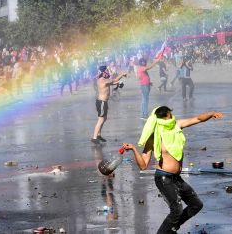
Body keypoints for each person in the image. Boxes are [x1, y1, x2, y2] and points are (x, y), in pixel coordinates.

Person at [123, 106, 224, 234]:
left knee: (196, 205)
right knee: (176, 209)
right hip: (163, 178)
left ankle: (172, 228)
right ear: (165, 117)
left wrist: (211, 113)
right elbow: (143, 166)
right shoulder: (153, 137)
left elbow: (198, 119)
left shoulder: (177, 125)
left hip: (176, 178)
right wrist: (133, 149)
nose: (172, 116)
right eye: (170, 114)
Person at [91, 65, 127, 144]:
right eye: (106, 70)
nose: (108, 72)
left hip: (103, 102)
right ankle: (94, 137)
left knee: (104, 118)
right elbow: (114, 80)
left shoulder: (104, 80)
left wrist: (118, 82)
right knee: (101, 119)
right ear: (103, 72)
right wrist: (121, 75)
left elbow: (113, 82)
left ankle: (99, 135)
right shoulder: (102, 80)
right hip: (102, 102)